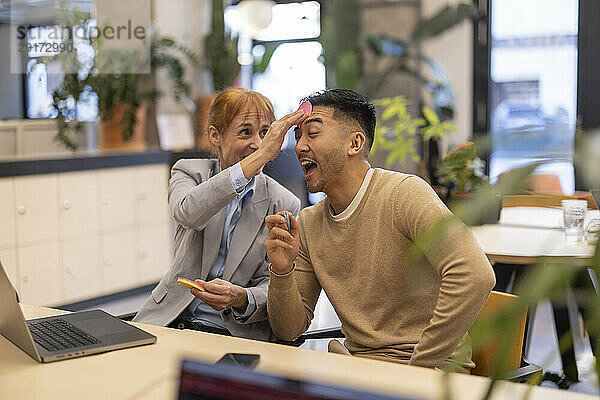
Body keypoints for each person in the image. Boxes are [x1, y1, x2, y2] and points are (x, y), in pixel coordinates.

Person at [264, 88, 496, 371]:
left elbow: (475, 275)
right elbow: (289, 330)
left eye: (312, 134)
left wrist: (418, 369)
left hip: (431, 372)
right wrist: (281, 271)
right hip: (359, 371)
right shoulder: (309, 223)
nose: (299, 147)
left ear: (354, 143)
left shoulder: (405, 194)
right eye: (297, 137)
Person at [134, 88, 302, 341]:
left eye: (265, 133)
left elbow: (276, 286)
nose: (257, 144)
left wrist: (241, 297)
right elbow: (188, 212)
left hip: (232, 332)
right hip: (170, 319)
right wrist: (250, 166)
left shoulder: (284, 201)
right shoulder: (189, 172)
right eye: (245, 132)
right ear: (215, 135)